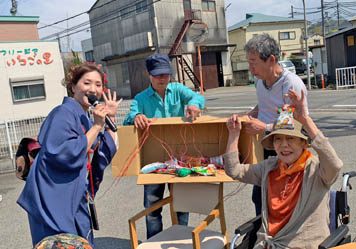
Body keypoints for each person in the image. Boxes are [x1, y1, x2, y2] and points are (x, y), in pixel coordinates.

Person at [17, 63, 121, 248]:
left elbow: (103, 152)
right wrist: (97, 126)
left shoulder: (86, 118)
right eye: (87, 83)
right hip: (52, 197)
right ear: (73, 87)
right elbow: (65, 153)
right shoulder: (61, 114)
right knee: (58, 243)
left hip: (75, 194)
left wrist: (110, 119)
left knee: (80, 240)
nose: (93, 89)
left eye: (98, 85)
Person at [224, 89, 343, 249]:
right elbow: (234, 170)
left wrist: (304, 119)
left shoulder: (317, 171)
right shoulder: (269, 167)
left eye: (290, 138)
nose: (284, 145)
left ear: (304, 143)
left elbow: (335, 164)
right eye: (278, 139)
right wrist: (233, 134)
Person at [123, 53, 205, 239]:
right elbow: (131, 115)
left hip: (180, 159)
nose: (162, 78)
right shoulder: (141, 98)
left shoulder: (178, 90)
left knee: (182, 206)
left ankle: (181, 239)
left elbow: (197, 98)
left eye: (165, 74)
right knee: (152, 207)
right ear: (148, 74)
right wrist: (136, 117)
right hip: (153, 161)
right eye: (157, 74)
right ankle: (155, 241)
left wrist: (193, 104)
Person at [243, 33, 309, 216]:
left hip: (286, 150)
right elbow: (264, 105)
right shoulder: (260, 81)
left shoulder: (291, 84)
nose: (250, 68)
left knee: (282, 198)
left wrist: (264, 127)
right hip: (263, 146)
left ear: (271, 60)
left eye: (253, 62)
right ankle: (261, 235)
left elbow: (297, 126)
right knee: (259, 196)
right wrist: (249, 115)